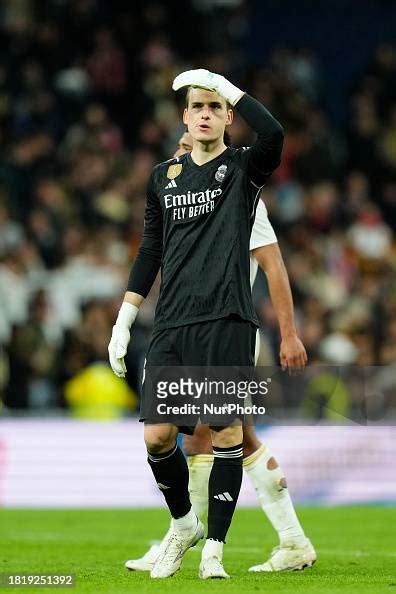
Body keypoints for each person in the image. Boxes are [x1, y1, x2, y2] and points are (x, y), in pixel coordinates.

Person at [109, 68, 285, 579]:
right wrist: (125, 318)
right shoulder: (163, 177)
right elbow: (150, 250)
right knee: (158, 438)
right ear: (184, 116)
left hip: (227, 318)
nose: (206, 113)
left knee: (227, 431)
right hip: (171, 324)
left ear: (228, 116)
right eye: (197, 107)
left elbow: (273, 133)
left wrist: (225, 84)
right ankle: (183, 524)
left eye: (215, 106)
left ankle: (214, 550)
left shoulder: (244, 168)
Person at [124, 132, 316, 574]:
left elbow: (274, 265)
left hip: (228, 328)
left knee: (217, 434)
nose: (179, 151)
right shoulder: (182, 194)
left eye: (185, 143)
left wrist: (289, 333)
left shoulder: (240, 198)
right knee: (219, 436)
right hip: (191, 327)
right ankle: (287, 540)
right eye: (178, 143)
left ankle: (201, 535)